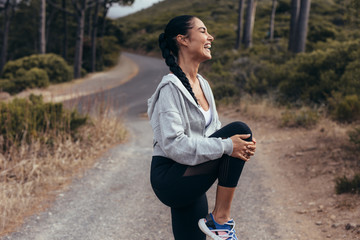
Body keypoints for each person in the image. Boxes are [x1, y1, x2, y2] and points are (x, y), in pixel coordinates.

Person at [147, 15, 257, 240]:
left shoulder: (203, 85)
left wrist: (235, 149)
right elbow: (174, 145)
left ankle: (217, 222)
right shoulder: (170, 88)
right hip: (172, 176)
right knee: (240, 130)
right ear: (183, 40)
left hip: (192, 170)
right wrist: (229, 146)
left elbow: (213, 134)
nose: (210, 37)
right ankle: (220, 219)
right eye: (203, 31)